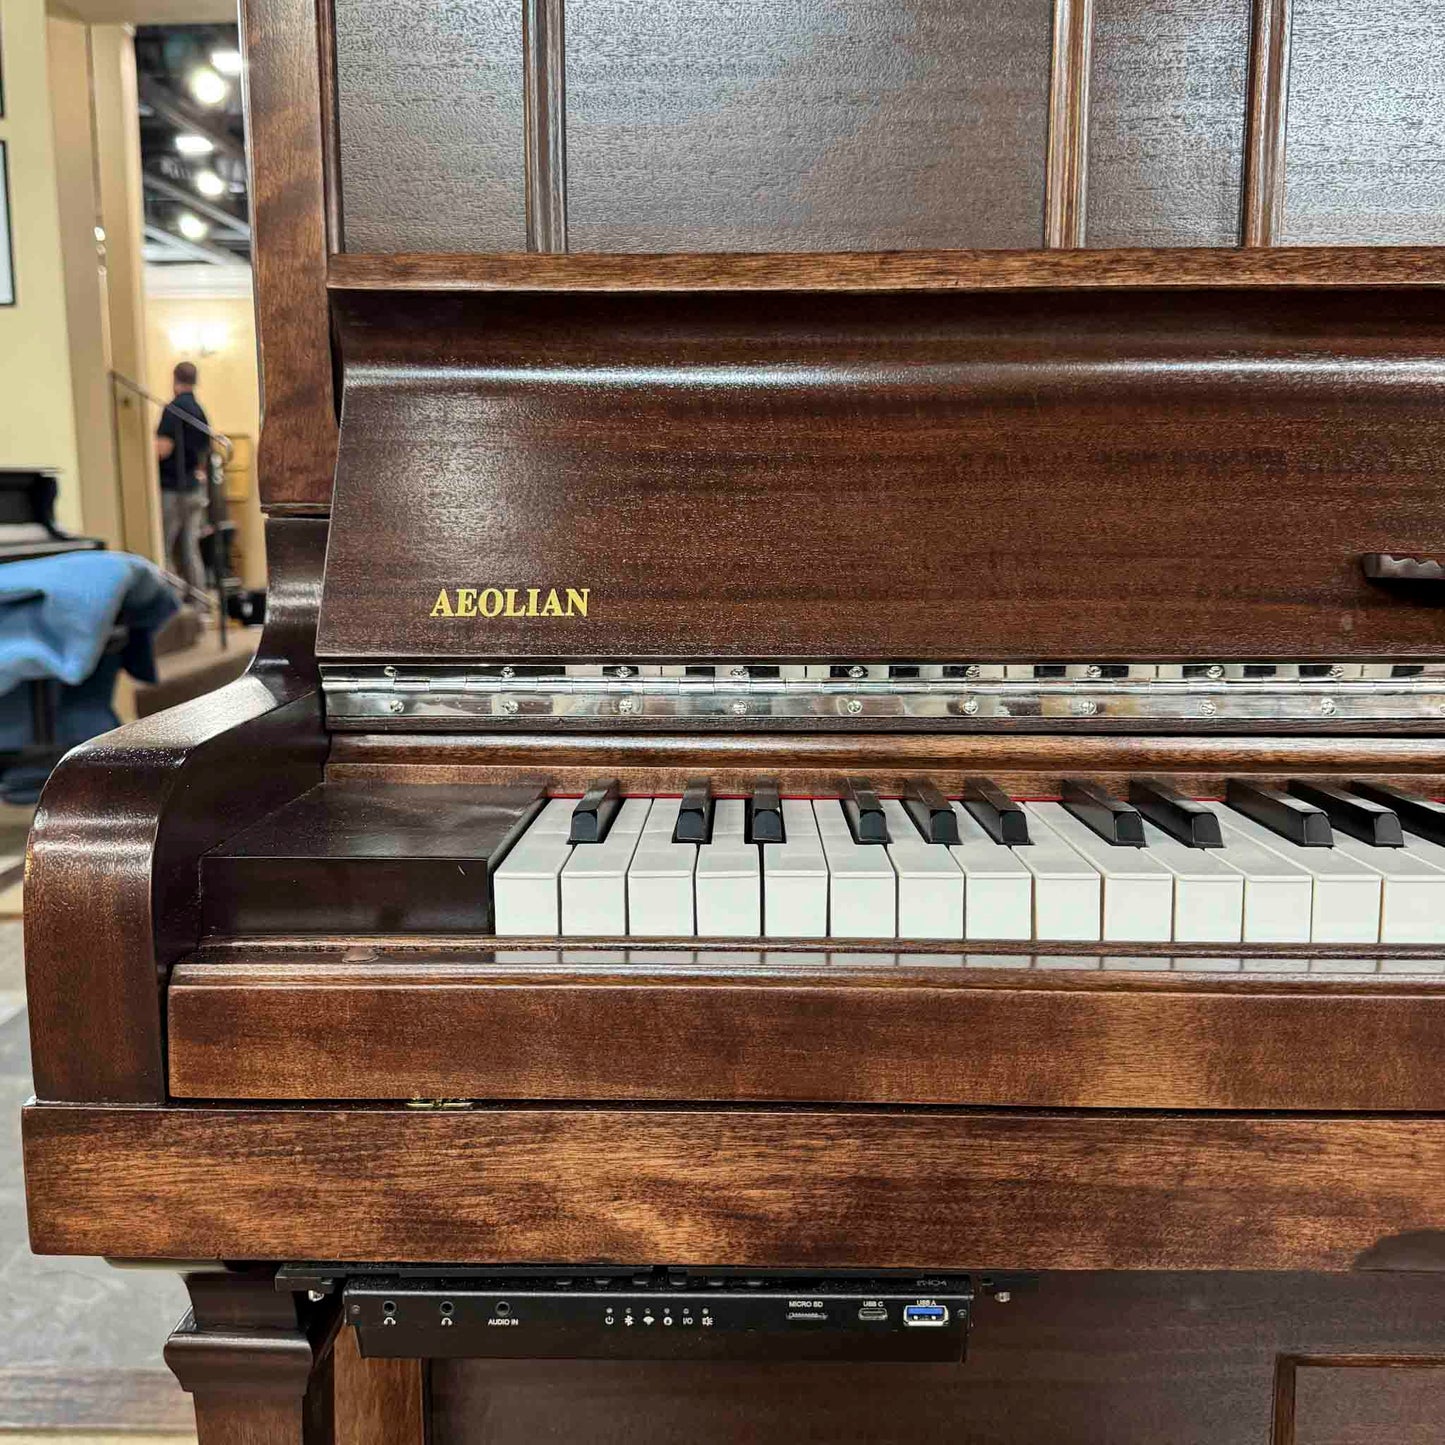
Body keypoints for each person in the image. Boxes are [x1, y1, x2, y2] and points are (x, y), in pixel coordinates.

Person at [154, 360, 213, 595]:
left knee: (166, 547)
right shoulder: (199, 412)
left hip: (172, 487)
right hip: (194, 487)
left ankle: (171, 602)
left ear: (174, 378)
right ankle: (199, 601)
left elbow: (163, 449)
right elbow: (205, 451)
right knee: (190, 547)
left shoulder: (173, 409)